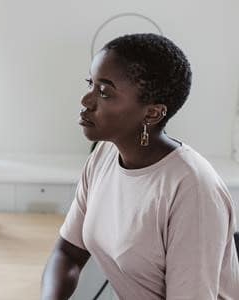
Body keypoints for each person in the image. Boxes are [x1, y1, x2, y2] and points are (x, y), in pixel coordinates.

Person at [40, 33, 239, 299]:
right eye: (91, 83)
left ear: (152, 113)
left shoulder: (193, 190)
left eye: (104, 92)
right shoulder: (104, 156)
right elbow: (68, 253)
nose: (86, 101)